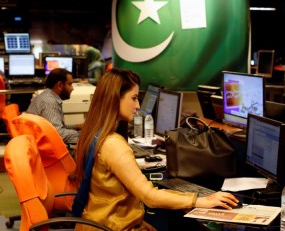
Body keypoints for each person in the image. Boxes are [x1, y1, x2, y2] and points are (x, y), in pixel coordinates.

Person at [73, 68, 239, 231]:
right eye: (134, 98)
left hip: (102, 222)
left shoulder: (94, 133)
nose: (138, 105)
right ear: (115, 98)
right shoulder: (113, 144)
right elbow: (149, 197)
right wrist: (202, 200)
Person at [26, 68, 80, 145]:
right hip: (44, 151)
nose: (72, 88)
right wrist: (86, 136)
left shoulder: (47, 96)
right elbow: (59, 134)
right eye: (70, 84)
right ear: (60, 85)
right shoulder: (49, 103)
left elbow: (56, 126)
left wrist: (77, 126)